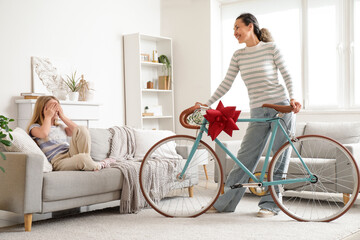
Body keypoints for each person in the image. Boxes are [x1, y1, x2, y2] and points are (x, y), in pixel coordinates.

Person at [202, 13, 302, 217]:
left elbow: (287, 74)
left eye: (237, 27)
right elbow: (226, 83)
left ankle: (270, 205)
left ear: (250, 26)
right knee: (244, 157)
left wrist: (292, 98)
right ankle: (225, 203)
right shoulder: (239, 55)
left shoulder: (271, 48)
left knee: (279, 156)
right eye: (233, 29)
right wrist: (207, 103)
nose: (235, 32)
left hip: (280, 107)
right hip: (258, 110)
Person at [27, 96, 114, 171]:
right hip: (58, 161)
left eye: (58, 106)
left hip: (70, 153)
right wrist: (48, 116)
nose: (56, 109)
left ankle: (88, 163)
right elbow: (44, 134)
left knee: (81, 129)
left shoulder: (60, 126)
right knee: (82, 159)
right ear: (43, 110)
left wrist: (62, 116)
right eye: (53, 107)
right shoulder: (35, 127)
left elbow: (78, 130)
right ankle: (99, 164)